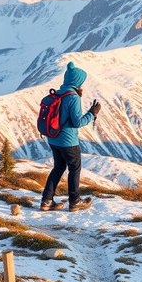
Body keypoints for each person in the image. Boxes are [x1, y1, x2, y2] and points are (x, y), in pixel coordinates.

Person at [40, 62, 101, 212]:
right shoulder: (73, 98)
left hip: (53, 139)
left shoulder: (59, 93)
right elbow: (77, 122)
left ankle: (46, 201)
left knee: (58, 167)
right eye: (81, 82)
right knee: (74, 168)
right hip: (68, 141)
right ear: (77, 82)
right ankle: (75, 201)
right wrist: (92, 113)